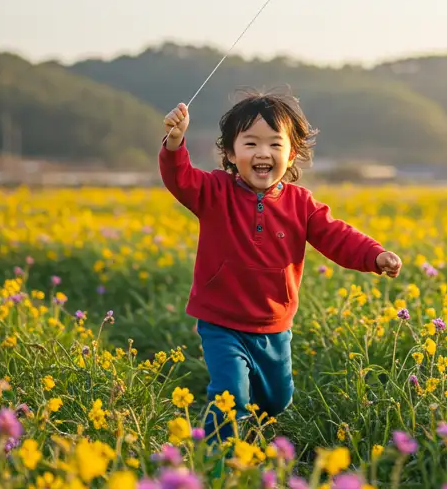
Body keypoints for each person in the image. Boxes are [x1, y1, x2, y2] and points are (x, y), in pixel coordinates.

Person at [160, 92, 402, 442]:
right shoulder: (214, 191)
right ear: (230, 153)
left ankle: (252, 440)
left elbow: (337, 236)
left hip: (274, 324)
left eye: (275, 144)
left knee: (276, 401)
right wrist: (174, 142)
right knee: (230, 394)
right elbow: (179, 177)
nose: (263, 153)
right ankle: (215, 459)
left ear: (291, 154)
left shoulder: (301, 204)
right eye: (251, 143)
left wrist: (374, 255)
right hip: (221, 322)